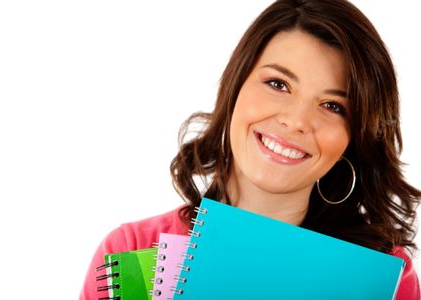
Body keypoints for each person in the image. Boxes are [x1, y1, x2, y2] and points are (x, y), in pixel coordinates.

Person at [80, 0, 421, 298]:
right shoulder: (131, 250)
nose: (295, 120)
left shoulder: (385, 276)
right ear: (235, 85)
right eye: (278, 84)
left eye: (333, 106)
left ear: (354, 136)